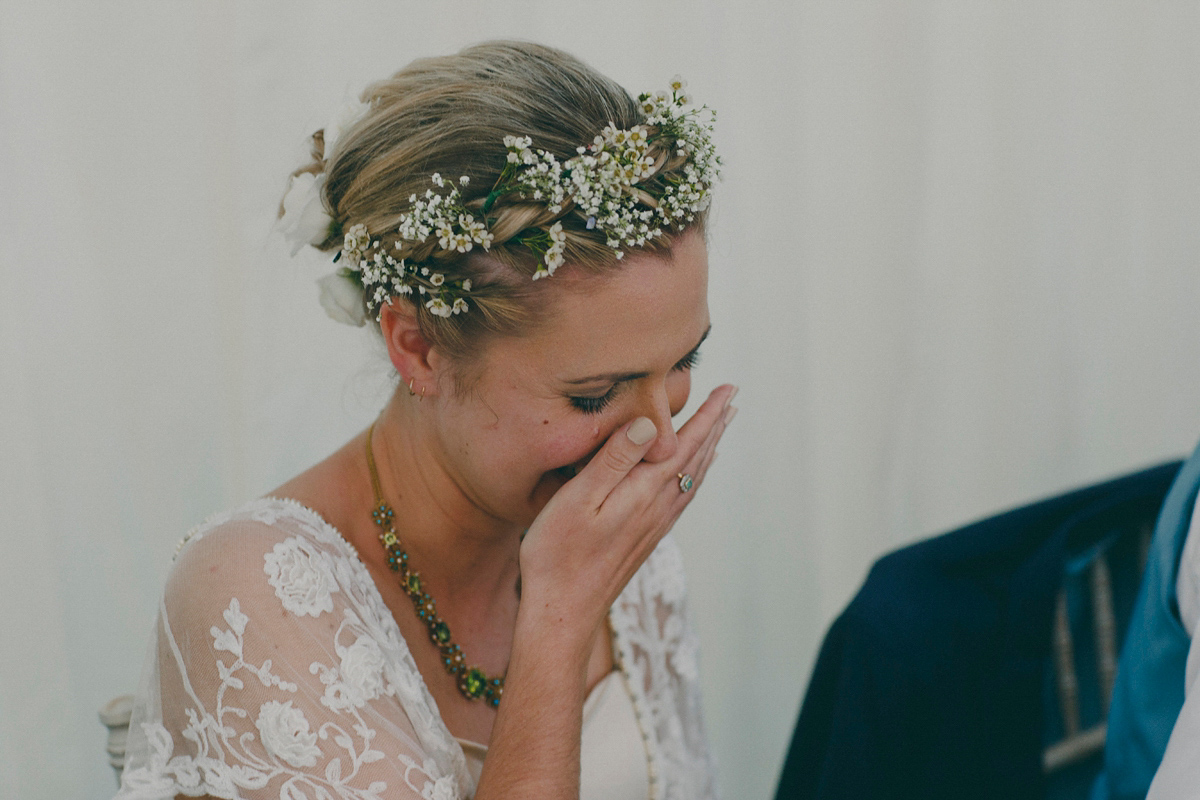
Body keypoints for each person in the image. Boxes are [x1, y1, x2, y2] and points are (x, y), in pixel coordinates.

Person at [113, 41, 734, 800]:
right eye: (595, 395)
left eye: (681, 363)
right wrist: (561, 616)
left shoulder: (616, 543)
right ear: (420, 346)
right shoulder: (253, 589)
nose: (660, 442)